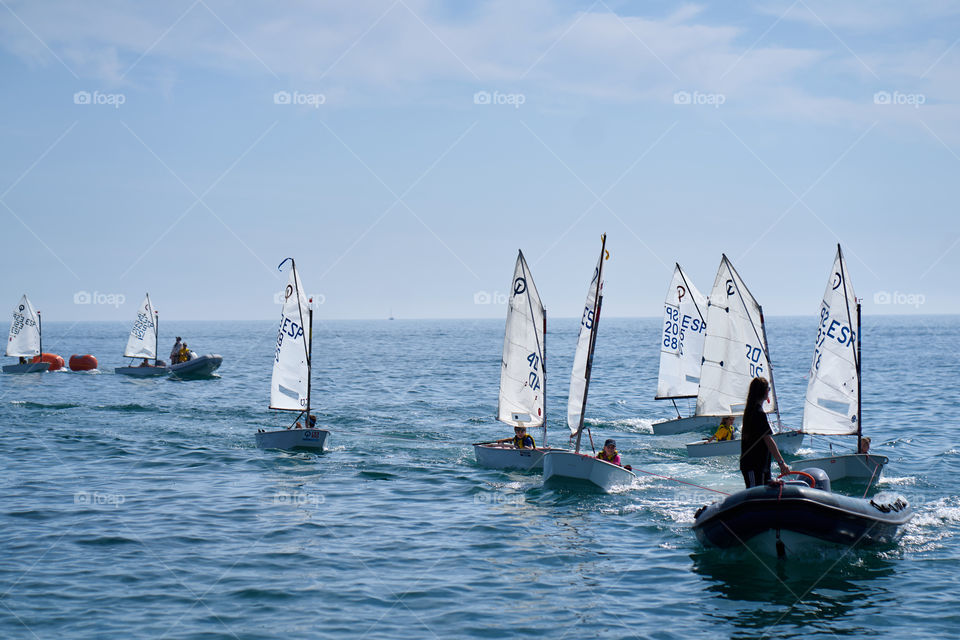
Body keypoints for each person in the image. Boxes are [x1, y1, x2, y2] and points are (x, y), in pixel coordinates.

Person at [740, 376, 789, 488]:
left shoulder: (752, 410)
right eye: (768, 389)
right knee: (754, 496)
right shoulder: (757, 413)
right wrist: (781, 463)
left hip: (762, 465)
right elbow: (768, 439)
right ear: (764, 391)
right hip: (752, 465)